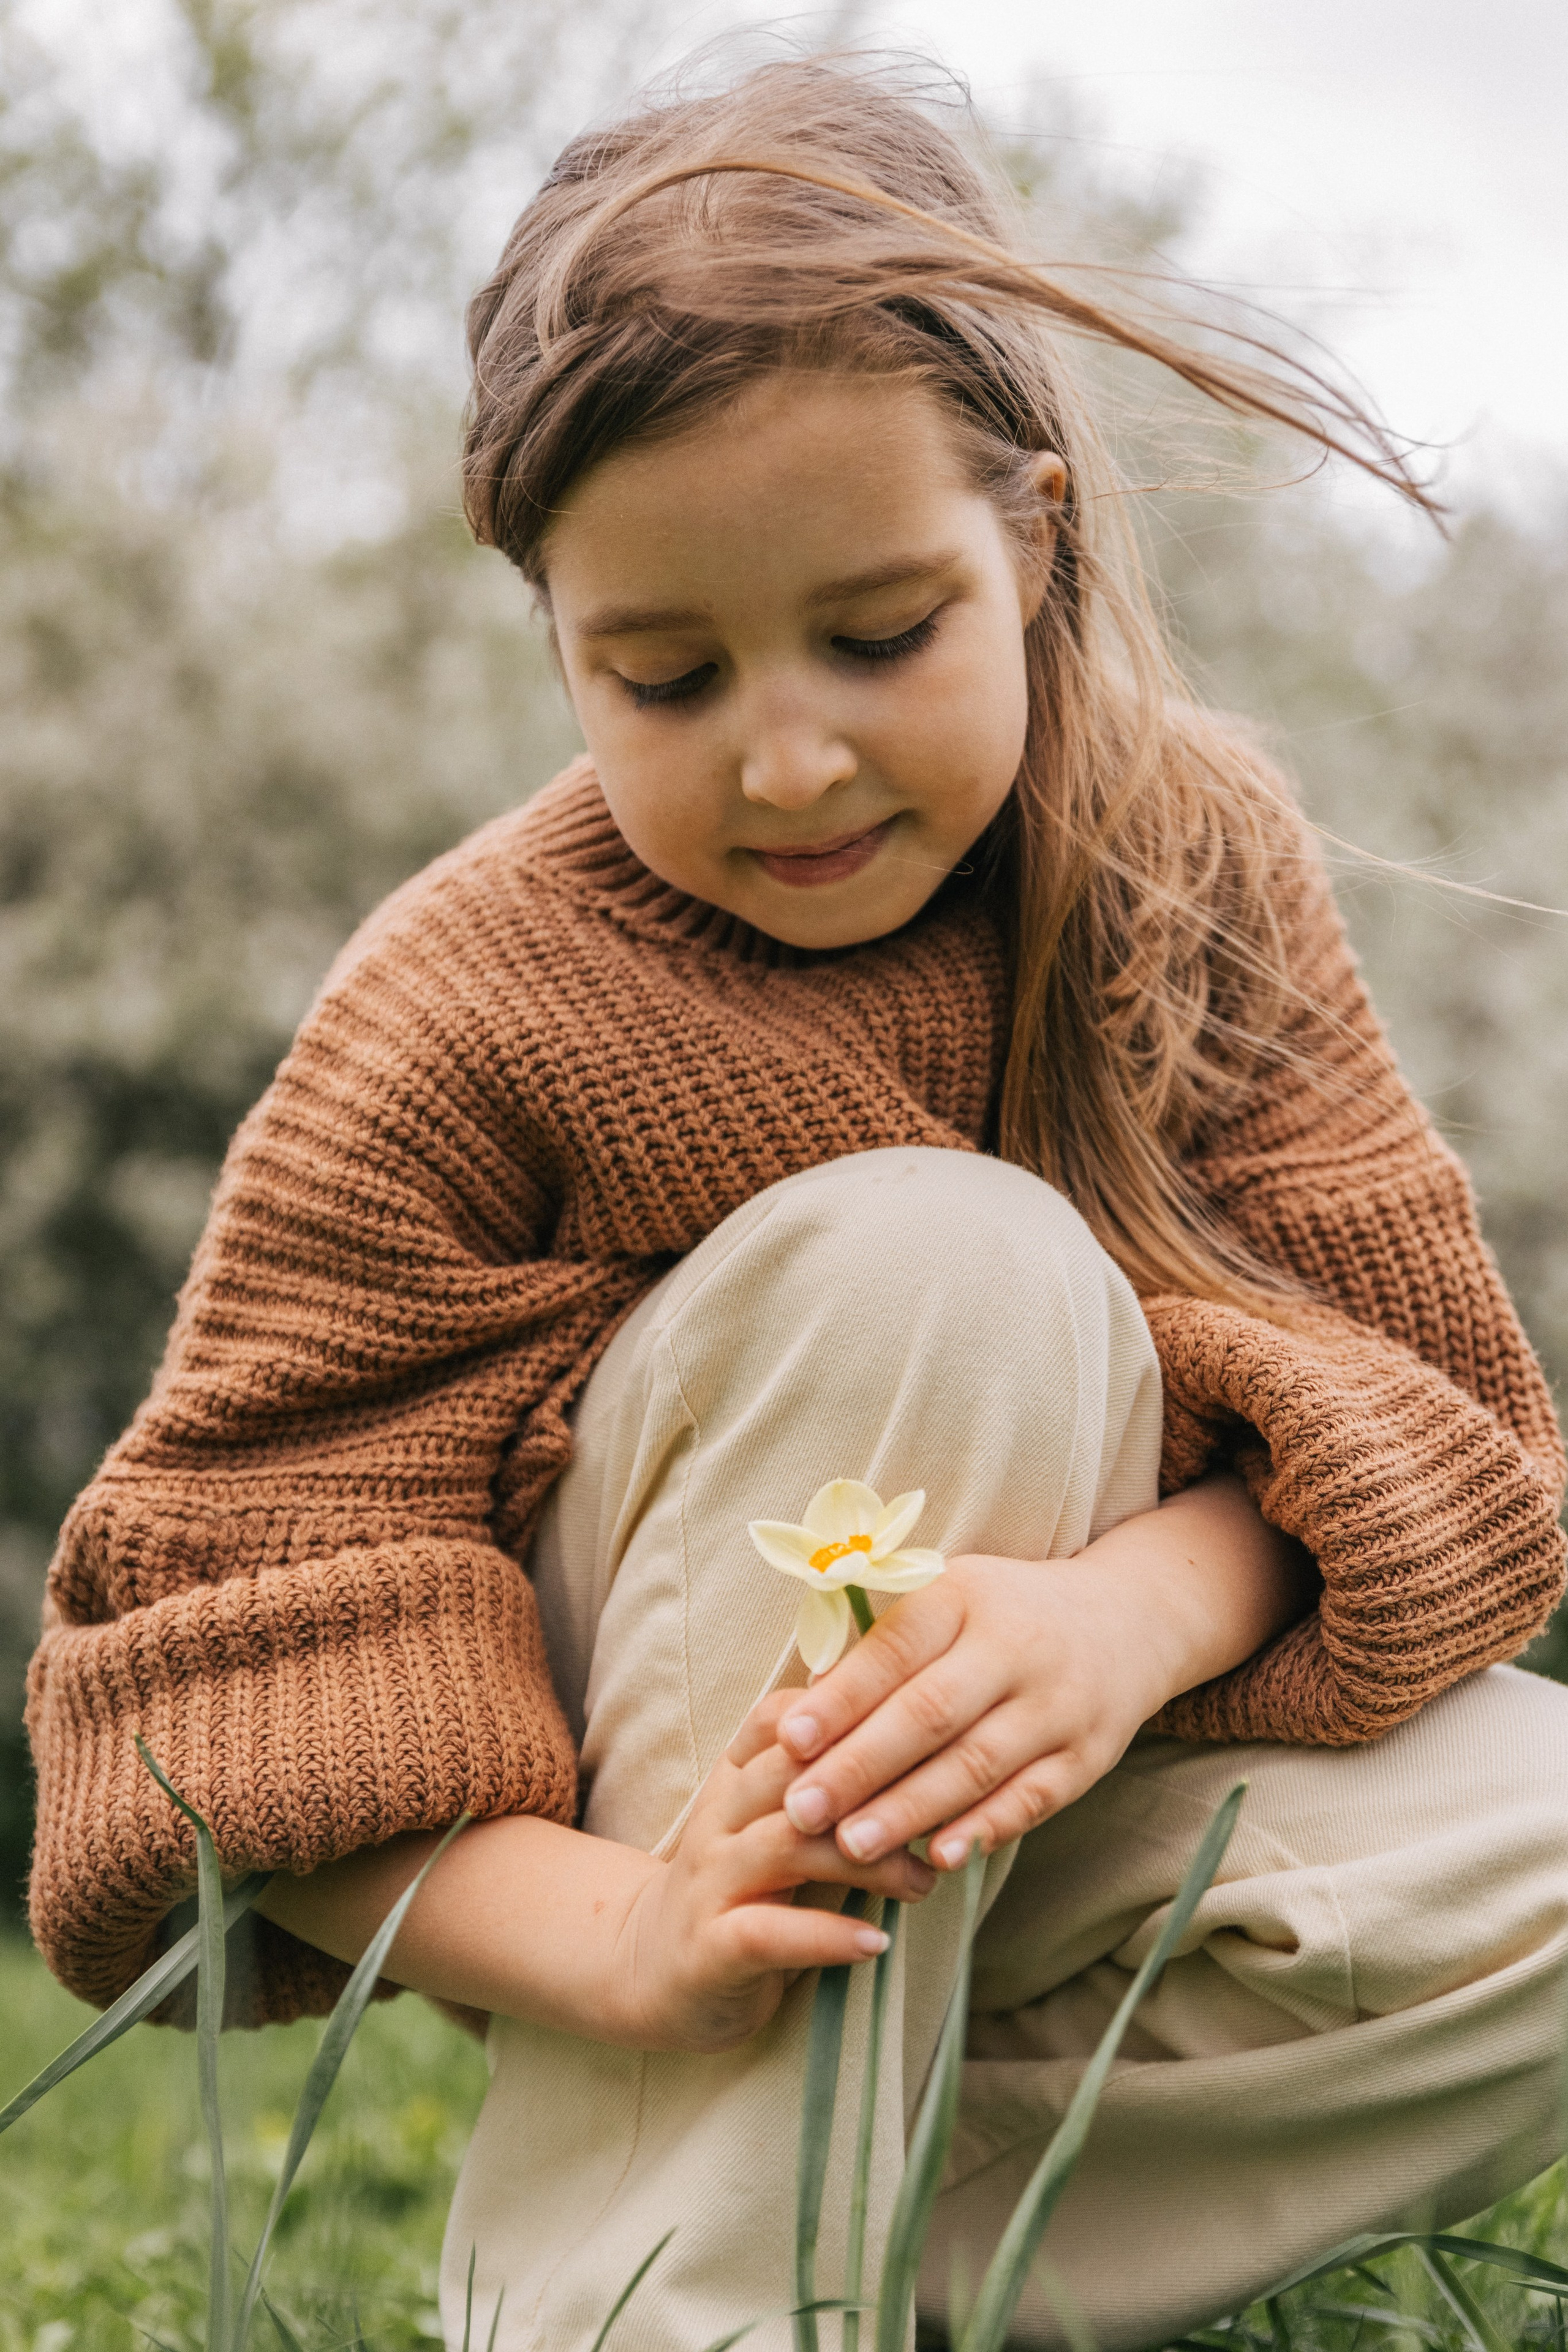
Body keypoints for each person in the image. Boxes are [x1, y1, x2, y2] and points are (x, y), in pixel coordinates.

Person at [24, 55, 1568, 2352]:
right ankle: (658, 2300)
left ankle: (860, 2250)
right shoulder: (470, 1004)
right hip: (638, 1834)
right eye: (665, 673)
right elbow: (229, 1683)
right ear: (552, 632)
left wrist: (1143, 1611)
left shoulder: (1191, 866)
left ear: (1031, 535)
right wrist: (622, 1942)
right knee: (945, 1259)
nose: (791, 757)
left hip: (1068, 1797)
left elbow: (1449, 1428)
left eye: (878, 633)